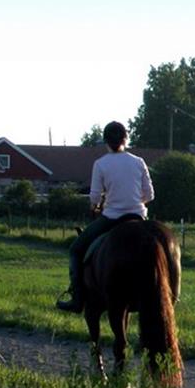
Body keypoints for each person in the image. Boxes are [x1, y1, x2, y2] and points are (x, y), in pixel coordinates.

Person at [56, 121, 155, 313]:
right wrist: (135, 201)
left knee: (76, 250)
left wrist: (96, 206)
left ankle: (77, 299)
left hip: (112, 217)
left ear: (106, 142)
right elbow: (150, 195)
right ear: (126, 138)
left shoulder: (101, 164)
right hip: (138, 216)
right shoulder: (138, 162)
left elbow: (94, 197)